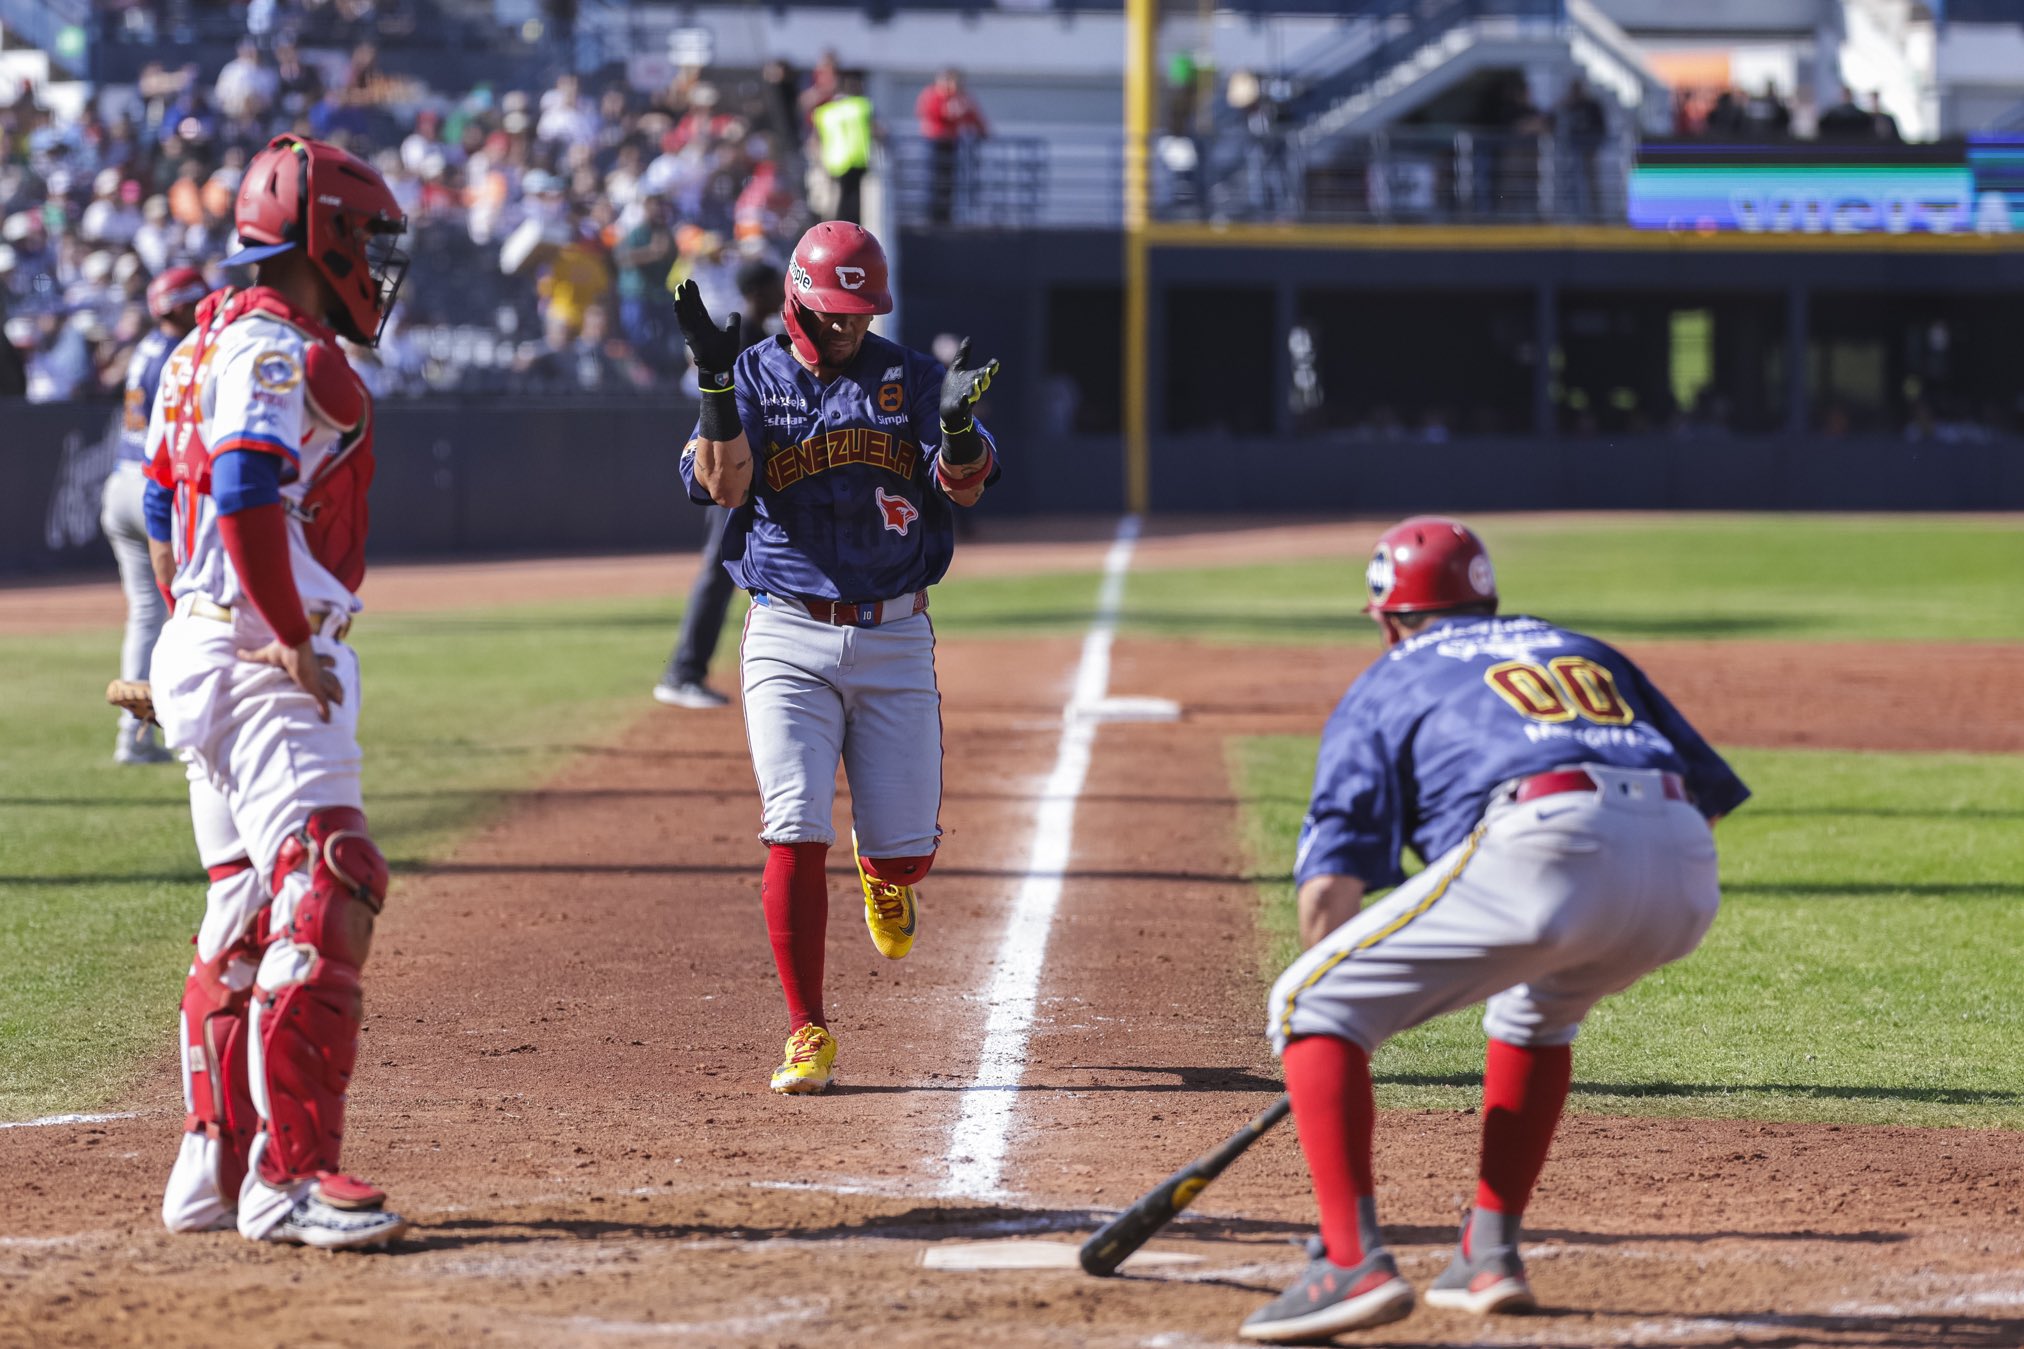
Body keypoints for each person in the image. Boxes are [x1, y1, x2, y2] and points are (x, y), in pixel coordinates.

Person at [1238, 517, 1749, 1342]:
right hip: (1685, 866)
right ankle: (1487, 1251)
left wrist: (1340, 1032)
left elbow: (1330, 885)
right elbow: (1705, 793)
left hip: (1546, 835)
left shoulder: (1392, 673)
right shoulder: (1582, 648)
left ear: (1388, 615)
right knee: (1535, 1010)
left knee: (1309, 1001)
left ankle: (1349, 1261)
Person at [142, 132, 412, 1250]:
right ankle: (291, 1175)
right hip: (264, 654)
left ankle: (213, 1166)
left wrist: (189, 625)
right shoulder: (267, 347)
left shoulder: (197, 347)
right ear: (323, 239)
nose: (376, 263)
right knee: (327, 883)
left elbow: (166, 508)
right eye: (365, 239)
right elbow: (246, 487)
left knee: (245, 908)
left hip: (211, 642)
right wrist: (287, 634)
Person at [673, 221, 1001, 1093]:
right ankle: (806, 1028)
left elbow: (962, 483)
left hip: (894, 632)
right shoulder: (750, 373)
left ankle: (883, 871)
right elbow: (722, 485)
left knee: (904, 852)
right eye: (835, 312)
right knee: (793, 821)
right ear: (799, 299)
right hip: (786, 627)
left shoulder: (910, 378)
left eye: (862, 313)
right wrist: (713, 382)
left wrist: (960, 428)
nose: (850, 328)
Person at [653, 258, 786, 710]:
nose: (781, 296)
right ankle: (683, 671)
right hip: (730, 465)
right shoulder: (744, 335)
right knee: (717, 569)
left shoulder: (760, 333)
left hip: (750, 468)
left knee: (722, 570)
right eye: (774, 288)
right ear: (758, 292)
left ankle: (687, 670)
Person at [101, 264, 205, 765]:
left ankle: (133, 736)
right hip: (151, 487)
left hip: (119, 482)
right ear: (182, 306)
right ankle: (194, 729)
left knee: (147, 613)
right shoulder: (182, 353)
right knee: (197, 605)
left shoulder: (145, 344)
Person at [915, 69, 987, 226]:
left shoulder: (960, 98)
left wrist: (982, 131)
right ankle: (933, 217)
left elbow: (973, 115)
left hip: (951, 142)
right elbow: (931, 113)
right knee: (934, 180)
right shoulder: (932, 95)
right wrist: (951, 112)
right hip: (935, 141)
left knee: (949, 182)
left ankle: (946, 216)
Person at [812, 72, 877, 225]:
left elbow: (816, 138)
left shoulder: (825, 111)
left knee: (836, 201)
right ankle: (850, 230)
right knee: (853, 202)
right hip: (856, 158)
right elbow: (876, 129)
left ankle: (835, 229)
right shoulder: (862, 106)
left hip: (834, 161)